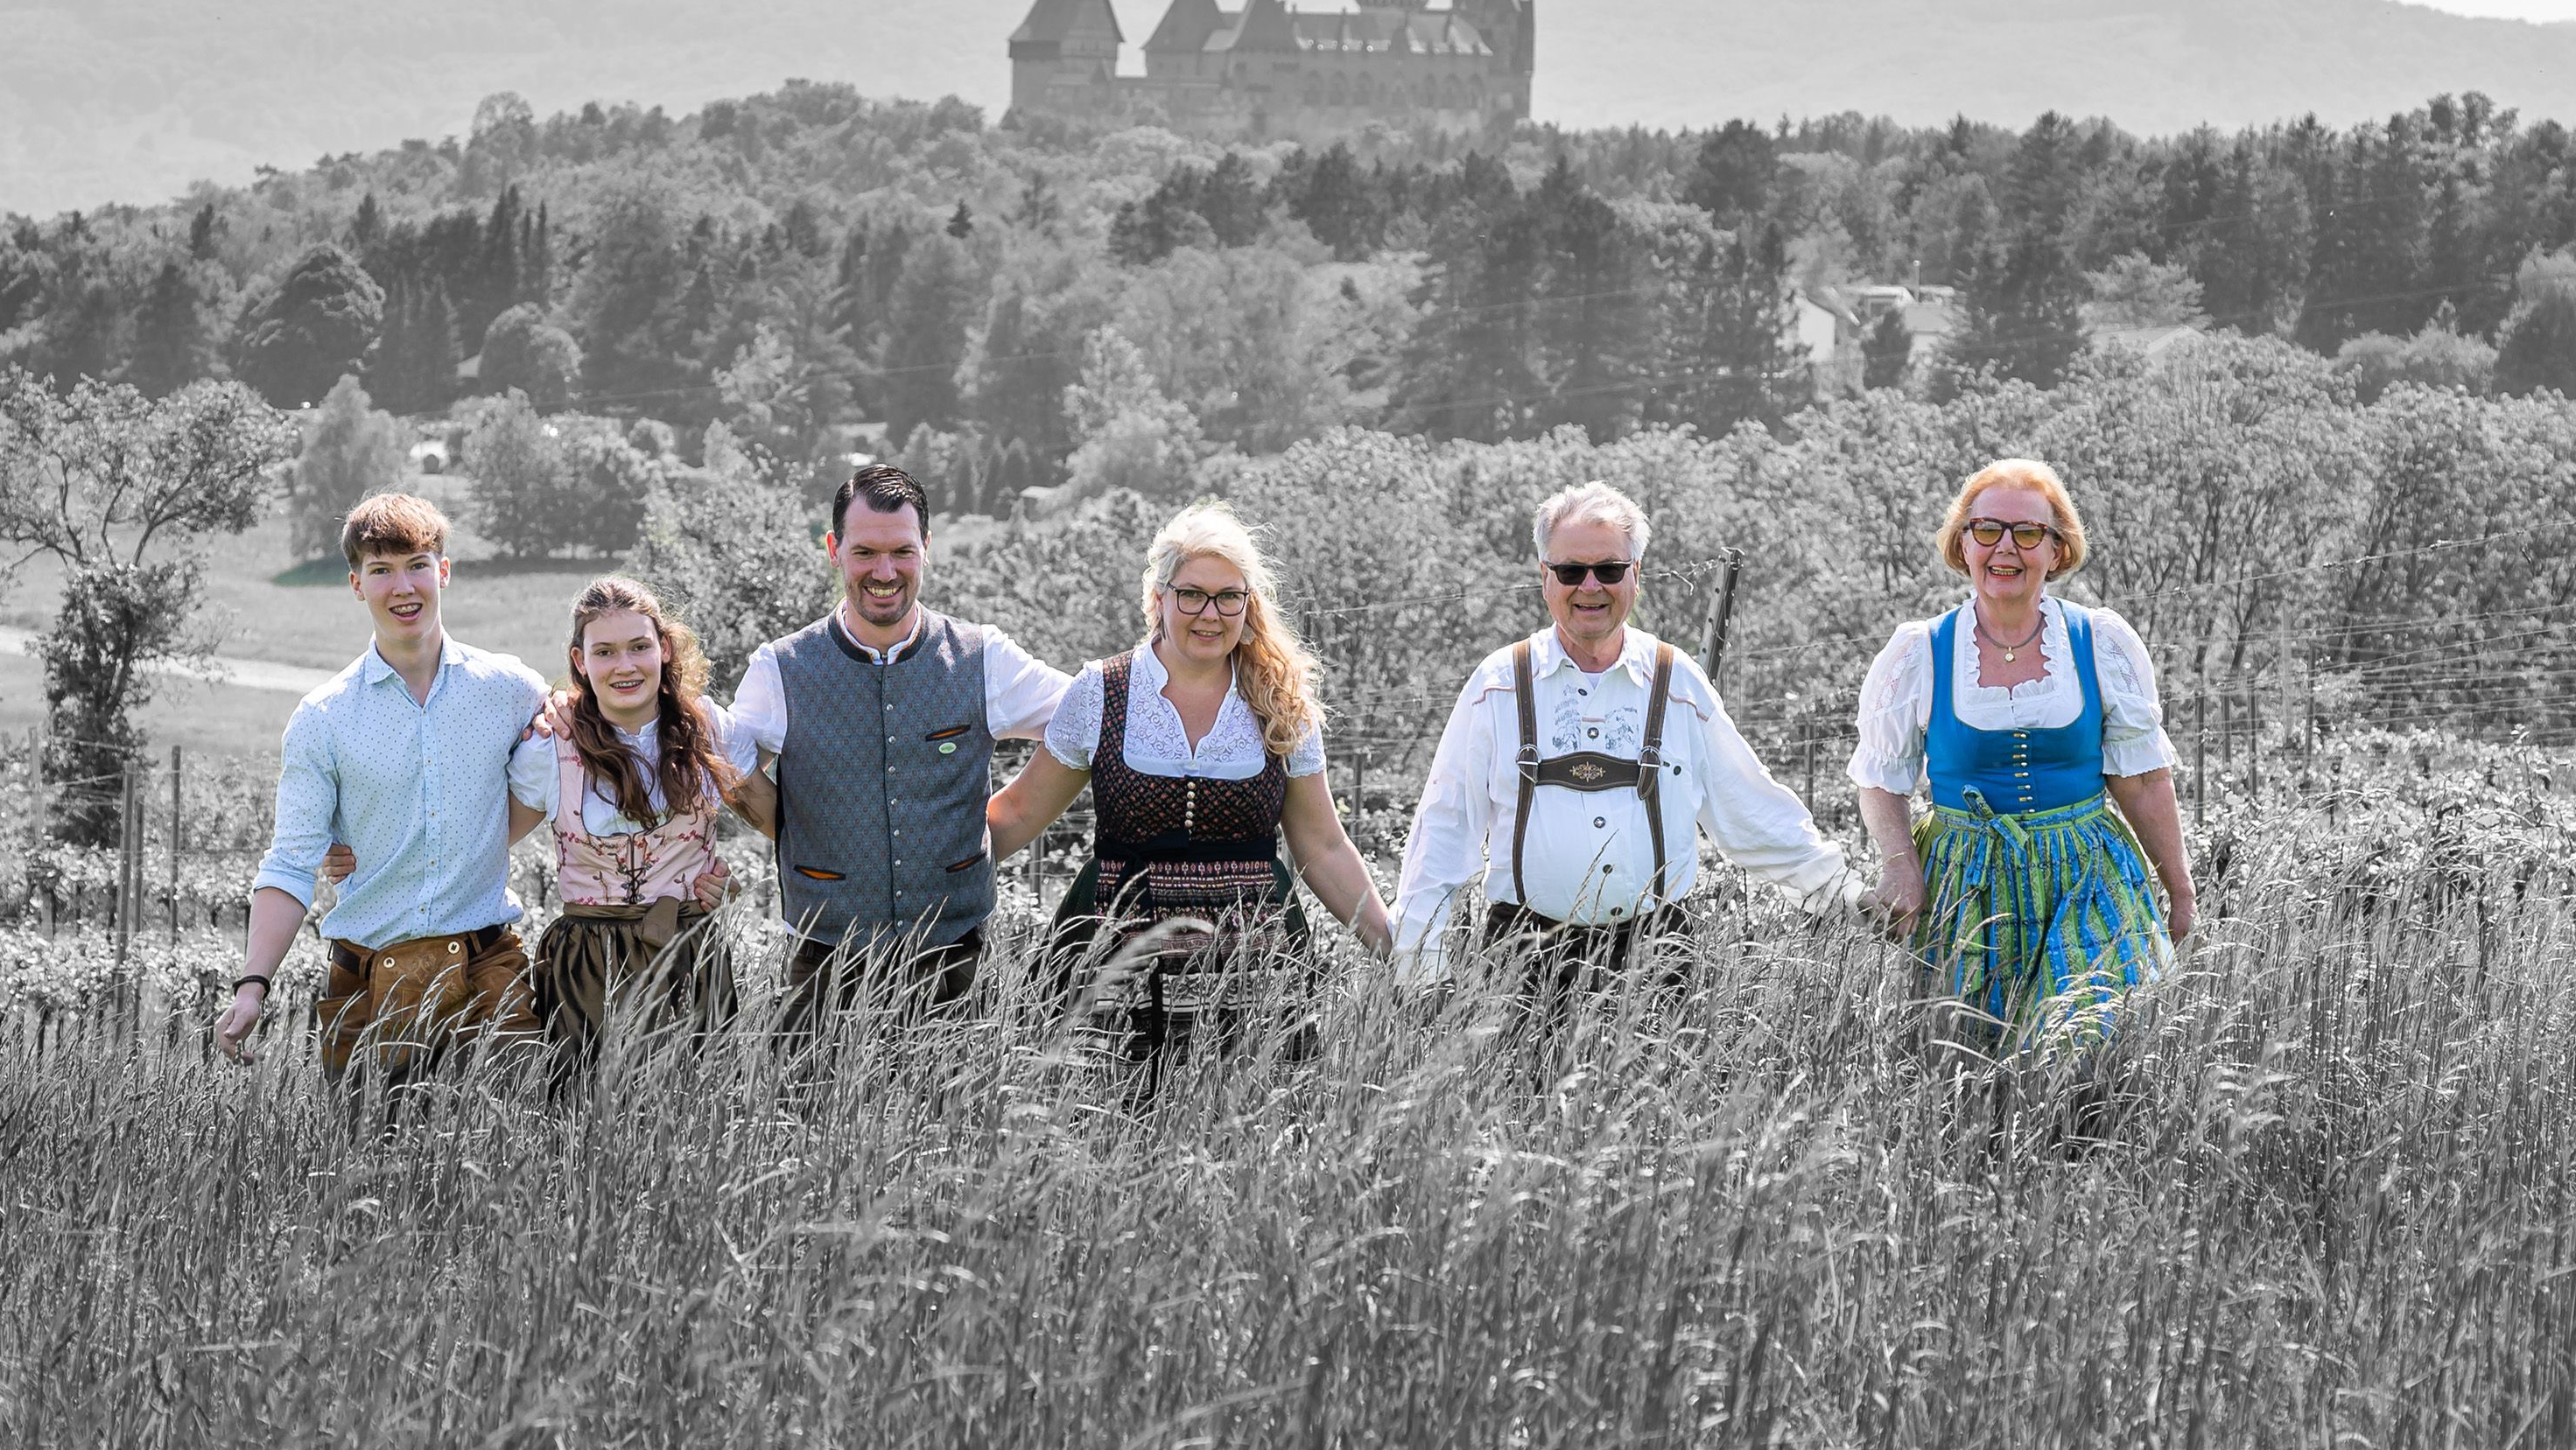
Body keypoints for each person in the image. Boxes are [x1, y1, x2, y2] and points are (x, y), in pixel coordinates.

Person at [985, 501, 1393, 1091]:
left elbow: (1323, 847)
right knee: (1101, 1123)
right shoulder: (1100, 692)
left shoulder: (1280, 704)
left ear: (1248, 606)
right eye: (1192, 595)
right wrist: (921, 872)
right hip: (1112, 950)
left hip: (1256, 961)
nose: (1211, 613)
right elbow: (1019, 812)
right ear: (1158, 599)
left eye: (1229, 596)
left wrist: (1397, 949)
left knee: (1251, 1130)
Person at [1392, 480, 1847, 1002]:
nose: (1590, 586)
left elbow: (1750, 809)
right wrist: (1419, 966)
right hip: (1521, 960)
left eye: (1609, 569)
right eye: (1570, 571)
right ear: (1545, 578)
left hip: (1657, 957)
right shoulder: (1498, 684)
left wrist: (1842, 895)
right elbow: (1445, 829)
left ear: (1637, 576)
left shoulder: (1677, 682)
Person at [723, 461, 1070, 1062]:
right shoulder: (779, 669)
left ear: (927, 549)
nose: (884, 573)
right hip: (826, 964)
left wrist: (1009, 819)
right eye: (865, 552)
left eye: (902, 552)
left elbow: (1086, 716)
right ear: (833, 550)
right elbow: (725, 763)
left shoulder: (982, 657)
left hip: (958, 957)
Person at [1850, 458, 2193, 1057]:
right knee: (1965, 1064)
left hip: (2084, 874)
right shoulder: (1920, 652)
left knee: (2085, 1045)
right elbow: (1882, 779)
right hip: (1966, 881)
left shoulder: (2101, 641)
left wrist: (2181, 892)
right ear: (1963, 542)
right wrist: (1902, 867)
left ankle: (2091, 1152)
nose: (2005, 547)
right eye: (1988, 530)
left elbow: (2141, 780)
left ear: (2057, 550)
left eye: (2027, 533)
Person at [220, 492, 552, 1097]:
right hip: (368, 981)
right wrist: (253, 984)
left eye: (417, 564)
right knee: (371, 1179)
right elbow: (291, 862)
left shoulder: (511, 690)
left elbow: (584, 763)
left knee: (512, 1172)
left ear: (443, 571)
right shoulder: (324, 718)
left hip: (490, 974)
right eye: (381, 570)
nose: (403, 587)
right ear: (355, 585)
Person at [504, 575, 748, 1095]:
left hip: (689, 955)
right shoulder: (551, 746)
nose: (625, 666)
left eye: (639, 647)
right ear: (580, 660)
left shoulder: (709, 729)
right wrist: (357, 853)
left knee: (694, 1118)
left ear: (663, 648)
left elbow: (777, 816)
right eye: (605, 651)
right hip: (588, 966)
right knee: (583, 1123)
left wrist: (733, 886)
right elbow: (479, 842)